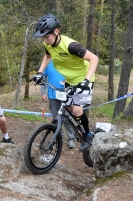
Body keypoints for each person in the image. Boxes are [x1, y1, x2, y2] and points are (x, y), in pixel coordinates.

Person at [32, 14, 99, 151]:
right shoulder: (48, 44)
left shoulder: (70, 46)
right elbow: (48, 56)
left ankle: (87, 135)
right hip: (69, 80)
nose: (44, 40)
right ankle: (79, 129)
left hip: (84, 78)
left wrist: (86, 81)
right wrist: (39, 73)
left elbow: (94, 58)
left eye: (46, 36)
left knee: (77, 109)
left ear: (56, 31)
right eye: (43, 37)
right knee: (68, 109)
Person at [41, 60, 76, 148]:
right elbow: (43, 78)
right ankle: (58, 137)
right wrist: (43, 92)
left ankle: (71, 138)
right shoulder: (47, 61)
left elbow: (75, 75)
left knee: (67, 116)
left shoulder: (67, 59)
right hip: (52, 94)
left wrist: (69, 82)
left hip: (66, 93)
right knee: (56, 117)